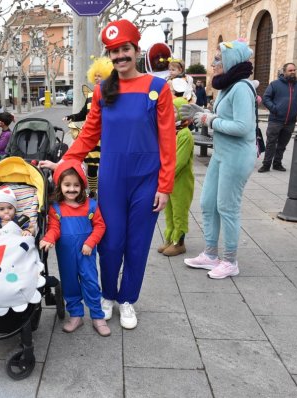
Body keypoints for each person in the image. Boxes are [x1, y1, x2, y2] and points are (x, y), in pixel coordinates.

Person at [39, 19, 176, 330]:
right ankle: (108, 295)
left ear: (135, 50)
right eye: (114, 52)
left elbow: (168, 141)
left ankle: (127, 300)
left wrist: (164, 186)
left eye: (124, 50)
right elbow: (88, 135)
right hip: (112, 179)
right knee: (110, 242)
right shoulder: (103, 91)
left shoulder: (158, 89)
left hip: (147, 180)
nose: (119, 57)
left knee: (138, 244)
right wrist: (62, 164)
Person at [181, 39, 257, 279]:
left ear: (231, 61)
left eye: (217, 59)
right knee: (207, 203)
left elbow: (243, 127)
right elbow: (226, 118)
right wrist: (204, 113)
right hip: (222, 154)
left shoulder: (242, 87)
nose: (212, 64)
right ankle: (211, 254)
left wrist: (208, 120)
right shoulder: (228, 86)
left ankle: (230, 261)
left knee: (227, 207)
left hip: (236, 156)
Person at [39, 161, 109, 337]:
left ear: (83, 185)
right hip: (66, 254)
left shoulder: (91, 205)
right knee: (69, 284)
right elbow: (54, 228)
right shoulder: (56, 208)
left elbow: (100, 226)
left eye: (76, 185)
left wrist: (90, 243)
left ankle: (97, 316)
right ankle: (76, 314)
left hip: (86, 252)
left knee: (91, 282)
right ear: (60, 186)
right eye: (67, 185)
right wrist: (48, 238)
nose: (71, 189)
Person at [63, 56, 113, 198]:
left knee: (106, 167)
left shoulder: (113, 95)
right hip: (91, 136)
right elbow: (83, 113)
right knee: (91, 166)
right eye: (95, 76)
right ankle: (92, 191)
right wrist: (71, 117)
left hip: (107, 137)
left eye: (101, 76)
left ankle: (106, 191)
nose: (97, 78)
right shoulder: (91, 95)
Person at [159, 79, 195, 257]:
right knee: (169, 212)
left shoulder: (185, 134)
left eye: (173, 111)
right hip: (169, 181)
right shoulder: (170, 132)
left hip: (180, 182)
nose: (170, 114)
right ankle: (169, 238)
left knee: (179, 212)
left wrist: (166, 174)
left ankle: (179, 242)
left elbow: (178, 162)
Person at [258, 62, 297, 173]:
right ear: (284, 72)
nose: (293, 72)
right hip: (275, 120)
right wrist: (274, 109)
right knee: (271, 143)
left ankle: (277, 163)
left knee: (282, 144)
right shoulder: (275, 84)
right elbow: (266, 98)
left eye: (294, 70)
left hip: (290, 121)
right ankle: (266, 164)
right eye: (290, 70)